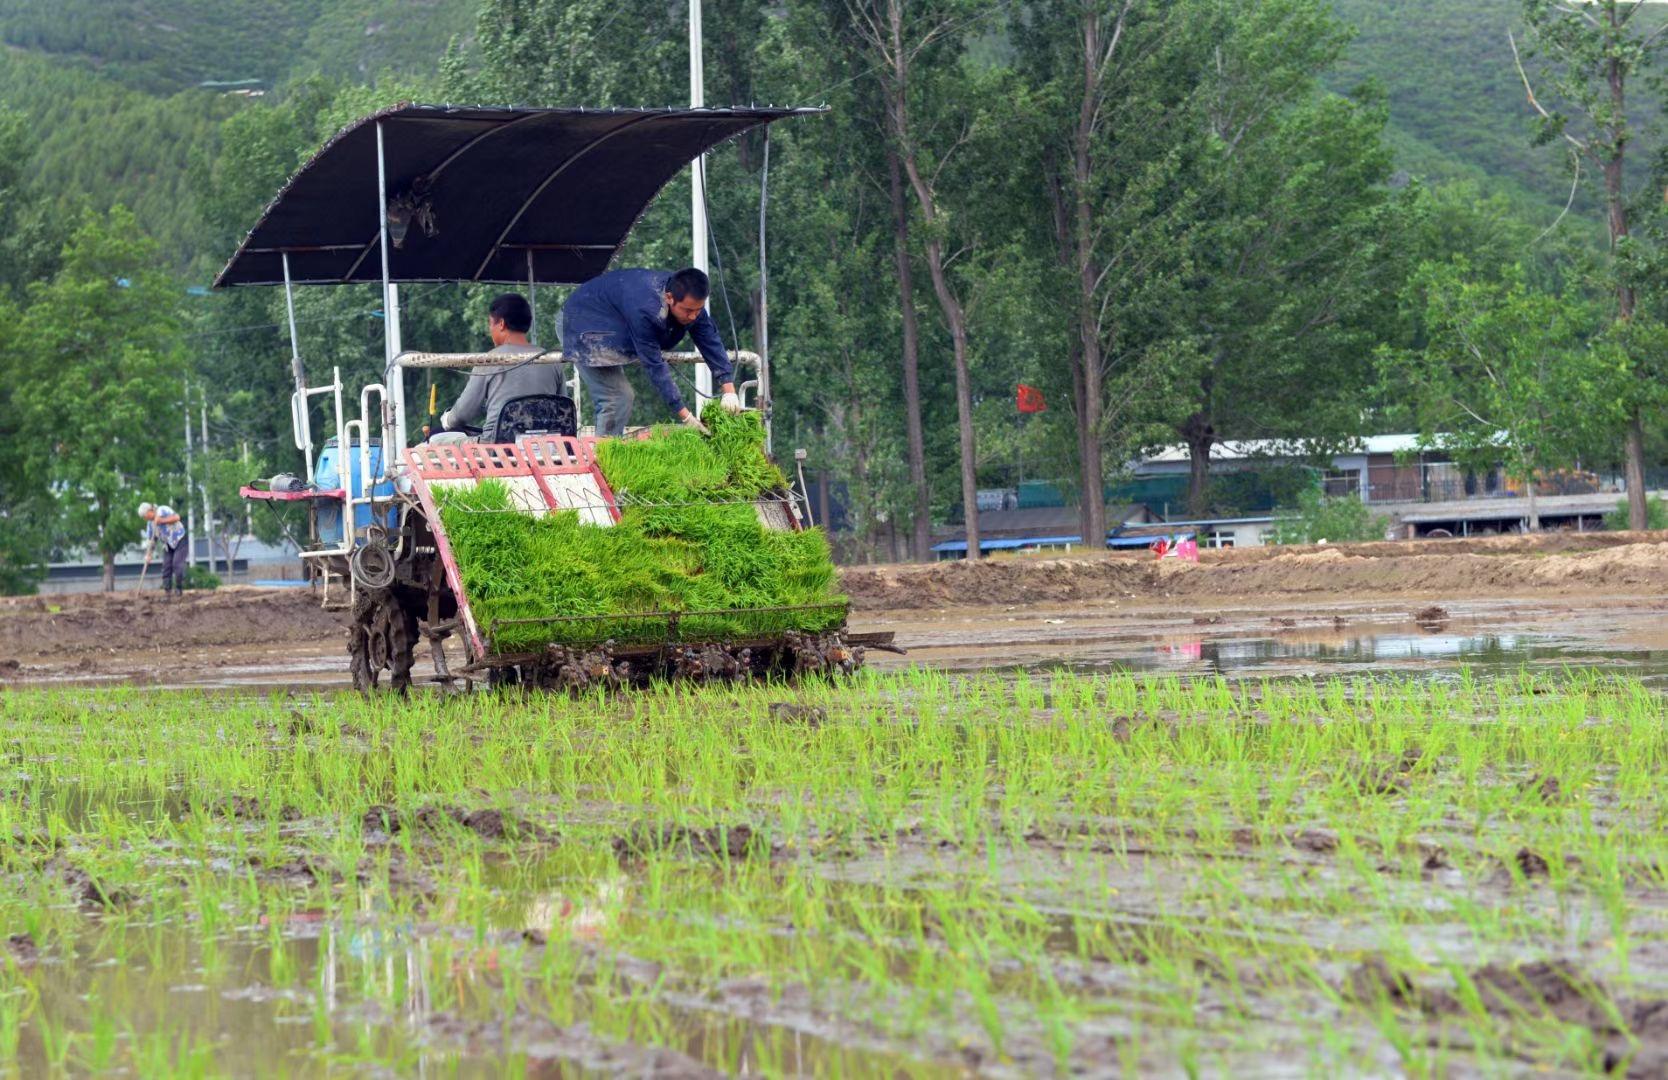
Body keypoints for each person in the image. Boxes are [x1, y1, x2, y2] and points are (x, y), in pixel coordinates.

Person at [558, 267, 744, 437]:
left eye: (699, 310)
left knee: (622, 395)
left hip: (614, 319)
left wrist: (729, 390)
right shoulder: (645, 309)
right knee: (617, 397)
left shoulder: (689, 303)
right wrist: (686, 417)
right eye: (688, 311)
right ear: (669, 298)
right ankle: (602, 456)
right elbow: (654, 364)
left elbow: (709, 339)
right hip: (580, 321)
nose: (693, 316)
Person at [428, 293, 556, 443]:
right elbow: (563, 408)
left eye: (490, 324)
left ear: (501, 324)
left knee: (436, 440)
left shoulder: (489, 360)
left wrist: (448, 419)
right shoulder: (551, 359)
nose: (490, 331)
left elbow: (463, 413)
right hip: (545, 446)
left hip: (496, 447)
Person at [138, 502, 188, 597]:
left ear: (150, 511)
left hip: (179, 539)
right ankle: (167, 592)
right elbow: (152, 541)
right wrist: (149, 554)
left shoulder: (162, 510)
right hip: (168, 544)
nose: (145, 518)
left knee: (177, 564)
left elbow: (177, 517)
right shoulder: (150, 525)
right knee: (166, 567)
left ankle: (178, 589)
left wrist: (162, 520)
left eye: (145, 515)